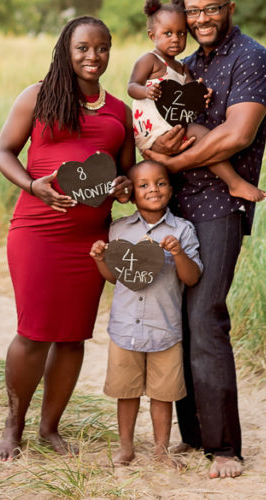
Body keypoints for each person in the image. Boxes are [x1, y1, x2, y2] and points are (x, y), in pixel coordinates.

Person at [142, 0, 266, 479]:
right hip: (173, 209)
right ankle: (194, 434)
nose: (201, 19)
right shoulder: (185, 62)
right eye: (193, 11)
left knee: (205, 319)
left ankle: (225, 449)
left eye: (211, 10)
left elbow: (237, 136)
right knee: (175, 319)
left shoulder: (253, 58)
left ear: (230, 8)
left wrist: (169, 166)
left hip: (220, 206)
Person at [0, 15, 135, 462]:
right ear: (65, 51)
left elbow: (127, 171)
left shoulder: (119, 111)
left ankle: (49, 428)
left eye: (102, 48)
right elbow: (3, 151)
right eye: (83, 48)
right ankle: (12, 427)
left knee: (72, 337)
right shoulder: (38, 96)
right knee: (34, 333)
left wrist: (126, 187)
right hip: (38, 230)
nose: (93, 57)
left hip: (89, 239)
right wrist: (33, 184)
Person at [89, 160, 202, 469]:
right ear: (131, 194)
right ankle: (126, 448)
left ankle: (161, 451)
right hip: (125, 329)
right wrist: (101, 258)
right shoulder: (120, 228)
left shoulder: (182, 229)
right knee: (126, 393)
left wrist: (177, 253)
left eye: (161, 183)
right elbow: (114, 277)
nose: (153, 188)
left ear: (171, 188)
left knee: (162, 395)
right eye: (144, 185)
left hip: (164, 330)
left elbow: (191, 277)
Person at [128, 0, 266, 203]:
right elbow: (131, 87)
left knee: (198, 137)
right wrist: (146, 91)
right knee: (202, 135)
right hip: (152, 129)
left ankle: (169, 180)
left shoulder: (183, 67)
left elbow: (192, 93)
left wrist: (204, 96)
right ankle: (234, 182)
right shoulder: (150, 60)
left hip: (171, 124)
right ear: (152, 35)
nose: (176, 39)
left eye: (181, 34)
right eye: (168, 34)